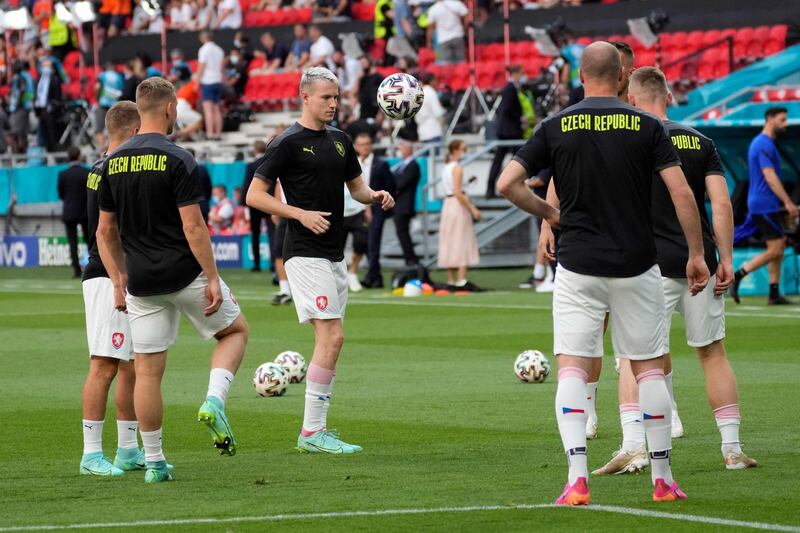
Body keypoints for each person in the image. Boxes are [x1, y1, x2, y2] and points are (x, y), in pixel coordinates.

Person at [497, 42, 708, 505]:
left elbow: (506, 183)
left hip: (577, 265)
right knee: (649, 366)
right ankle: (663, 479)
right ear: (621, 77)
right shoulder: (649, 126)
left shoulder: (555, 126)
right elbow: (683, 194)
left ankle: (576, 480)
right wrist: (696, 253)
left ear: (579, 75)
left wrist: (550, 214)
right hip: (637, 264)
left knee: (573, 364)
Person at [592, 67, 758, 477]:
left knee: (636, 358)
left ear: (631, 98)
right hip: (698, 260)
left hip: (647, 265)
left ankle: (634, 445)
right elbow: (721, 204)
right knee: (713, 355)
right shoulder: (700, 140)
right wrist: (726, 259)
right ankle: (733, 449)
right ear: (668, 94)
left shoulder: (631, 137)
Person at [96, 77, 249, 483]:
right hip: (184, 272)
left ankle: (155, 463)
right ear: (168, 109)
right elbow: (194, 226)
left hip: (141, 282)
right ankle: (214, 400)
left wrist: (118, 279)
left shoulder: (111, 161)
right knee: (234, 332)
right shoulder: (179, 157)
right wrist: (213, 277)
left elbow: (105, 232)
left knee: (146, 373)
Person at [246, 67, 394, 454]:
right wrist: (299, 213)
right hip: (302, 251)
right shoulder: (286, 143)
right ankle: (312, 432)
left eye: (336, 96)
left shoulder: (342, 140)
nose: (333, 103)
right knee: (333, 336)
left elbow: (356, 188)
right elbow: (254, 196)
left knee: (328, 339)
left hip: (333, 253)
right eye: (326, 97)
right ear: (305, 97)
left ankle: (317, 429)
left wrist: (375, 195)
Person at [79, 101, 143, 477]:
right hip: (108, 276)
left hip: (118, 274)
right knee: (104, 363)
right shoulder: (112, 171)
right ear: (134, 132)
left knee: (131, 364)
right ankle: (91, 454)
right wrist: (119, 279)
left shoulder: (99, 166)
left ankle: (129, 449)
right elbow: (108, 232)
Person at [730, 106, 796, 305]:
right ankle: (739, 274)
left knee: (779, 246)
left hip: (764, 204)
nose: (785, 124)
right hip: (764, 204)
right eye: (782, 120)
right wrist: (788, 202)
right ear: (769, 119)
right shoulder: (763, 144)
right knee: (776, 249)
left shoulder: (765, 144)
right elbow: (769, 175)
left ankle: (774, 294)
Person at [437, 139, 483, 291]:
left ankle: (451, 280)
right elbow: (457, 192)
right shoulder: (457, 168)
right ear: (456, 150)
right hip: (457, 205)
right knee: (461, 240)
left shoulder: (446, 167)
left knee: (449, 240)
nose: (465, 151)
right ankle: (461, 280)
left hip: (447, 205)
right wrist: (472, 208)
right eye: (463, 148)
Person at [356, 134, 395, 288]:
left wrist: (377, 204)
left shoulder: (381, 164)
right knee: (364, 242)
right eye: (361, 144)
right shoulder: (354, 164)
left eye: (367, 143)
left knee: (373, 242)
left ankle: (373, 276)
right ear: (356, 146)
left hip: (376, 209)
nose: (365, 147)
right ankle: (375, 275)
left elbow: (391, 186)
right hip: (356, 208)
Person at [486, 65, 527, 199]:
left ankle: (497, 188)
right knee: (516, 161)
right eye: (521, 73)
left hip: (507, 130)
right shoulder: (510, 88)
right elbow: (507, 110)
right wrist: (520, 117)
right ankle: (501, 188)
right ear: (516, 73)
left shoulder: (510, 88)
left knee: (503, 160)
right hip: (509, 132)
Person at [58, 146, 90, 278]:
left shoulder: (63, 174)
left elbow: (61, 194)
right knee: (90, 241)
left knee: (72, 242)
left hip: (69, 211)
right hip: (84, 211)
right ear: (79, 156)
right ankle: (93, 268)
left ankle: (77, 271)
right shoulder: (87, 172)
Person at [393, 138, 421, 266]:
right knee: (402, 234)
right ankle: (409, 259)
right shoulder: (402, 166)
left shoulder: (413, 166)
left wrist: (391, 186)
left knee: (403, 234)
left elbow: (400, 183)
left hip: (405, 206)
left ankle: (411, 260)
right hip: (399, 206)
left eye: (402, 148)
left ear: (409, 149)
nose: (401, 151)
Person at [243, 140, 269, 271]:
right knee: (272, 233)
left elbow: (247, 185)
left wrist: (244, 203)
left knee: (255, 234)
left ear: (255, 150)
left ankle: (257, 264)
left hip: (255, 204)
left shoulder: (251, 165)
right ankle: (274, 265)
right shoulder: (269, 162)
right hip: (270, 202)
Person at [197, 31, 225, 141]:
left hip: (208, 81)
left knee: (208, 110)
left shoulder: (204, 49)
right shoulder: (219, 50)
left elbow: (201, 66)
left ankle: (210, 134)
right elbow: (222, 68)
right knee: (216, 109)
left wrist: (197, 82)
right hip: (217, 80)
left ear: (204, 38)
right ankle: (218, 134)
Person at [34, 56, 64, 152]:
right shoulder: (39, 79)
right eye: (43, 66)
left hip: (49, 109)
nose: (45, 68)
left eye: (47, 65)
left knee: (52, 133)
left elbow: (57, 96)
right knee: (43, 133)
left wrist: (52, 106)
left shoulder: (55, 79)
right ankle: (46, 152)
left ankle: (54, 152)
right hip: (40, 109)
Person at [426, 0, 468, 65]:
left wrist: (429, 42)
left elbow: (430, 29)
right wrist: (465, 29)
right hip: (458, 36)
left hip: (443, 39)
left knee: (445, 66)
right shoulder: (457, 4)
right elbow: (467, 17)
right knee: (461, 63)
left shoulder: (433, 9)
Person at [94, 62, 124, 149]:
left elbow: (97, 87)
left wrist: (97, 99)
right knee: (115, 128)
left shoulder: (102, 75)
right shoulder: (119, 76)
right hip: (115, 104)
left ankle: (102, 149)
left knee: (99, 128)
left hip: (103, 103)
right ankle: (115, 147)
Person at [7, 60, 35, 154]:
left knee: (12, 133)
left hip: (19, 109)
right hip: (26, 108)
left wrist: (17, 104)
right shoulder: (27, 76)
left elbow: (22, 90)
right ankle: (23, 156)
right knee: (22, 135)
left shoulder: (21, 77)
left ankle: (17, 157)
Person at [415, 72, 445, 144]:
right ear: (432, 81)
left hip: (422, 133)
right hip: (433, 132)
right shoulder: (431, 92)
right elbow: (439, 114)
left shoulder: (419, 94)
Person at [187, 147, 213, 221]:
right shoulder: (202, 169)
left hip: (188, 207)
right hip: (202, 204)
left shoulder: (181, 169)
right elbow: (209, 188)